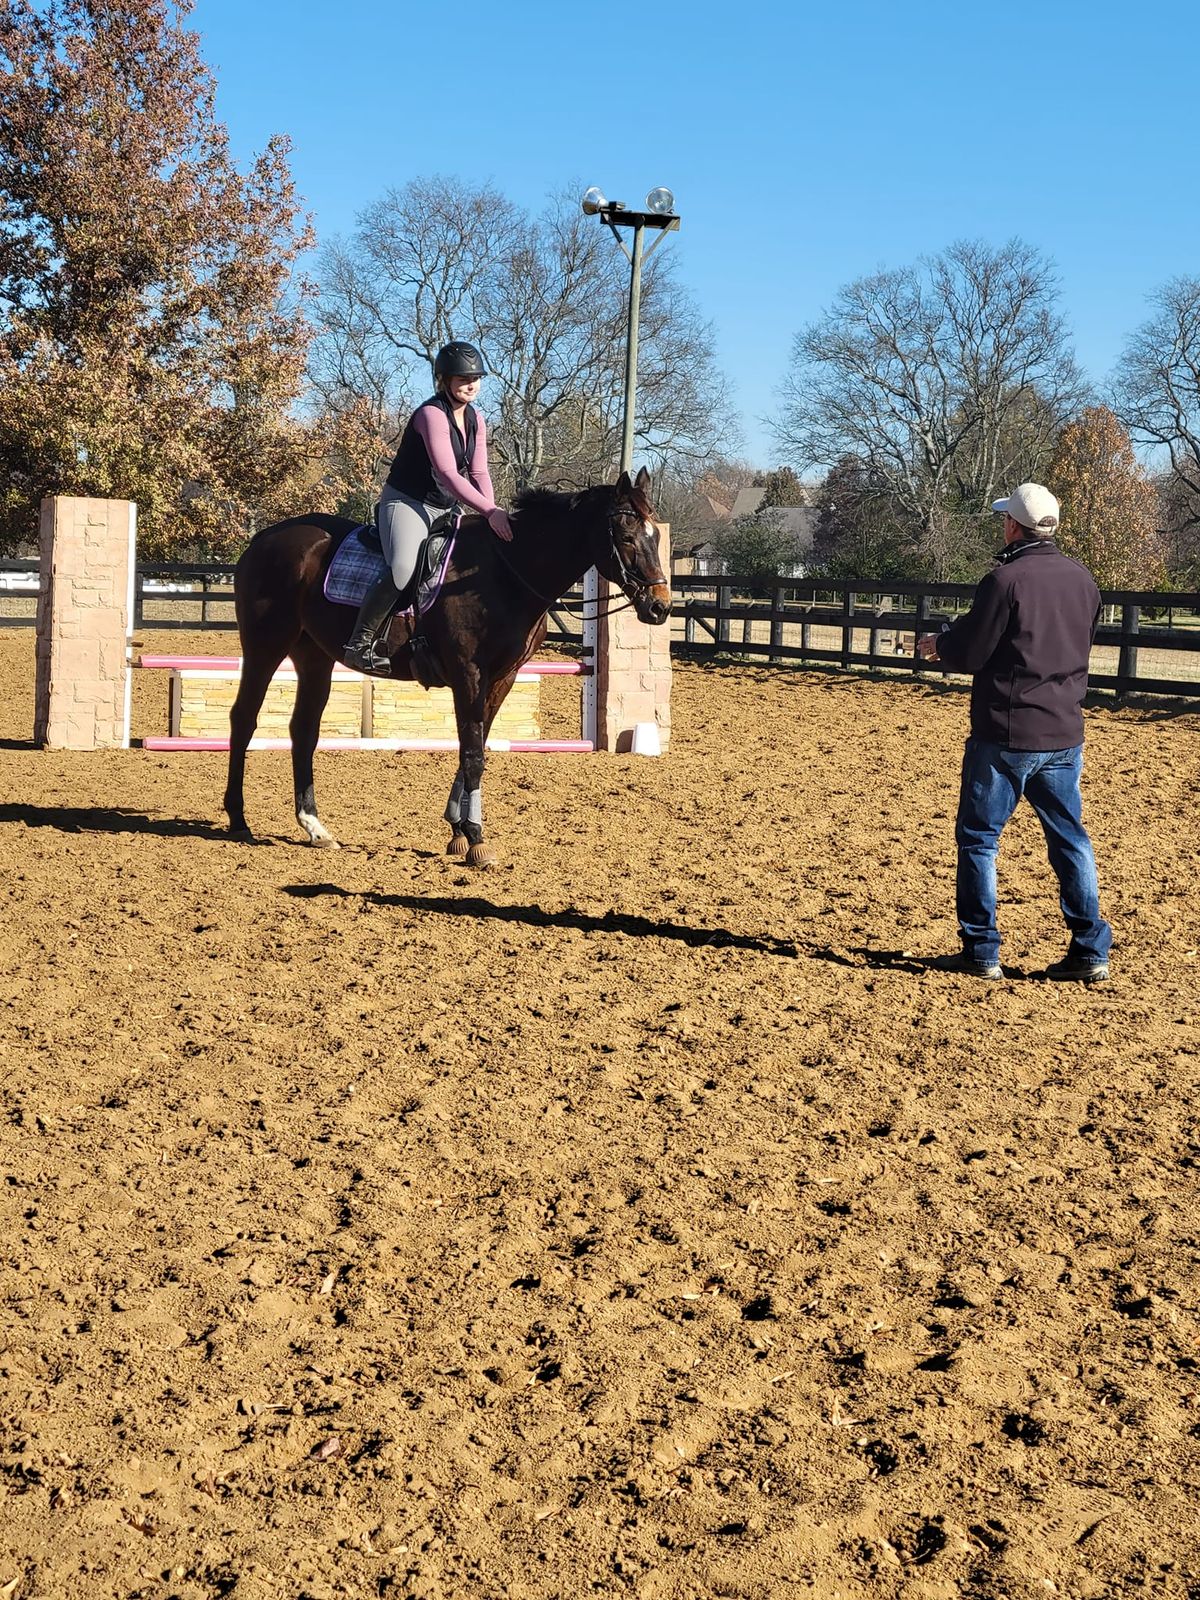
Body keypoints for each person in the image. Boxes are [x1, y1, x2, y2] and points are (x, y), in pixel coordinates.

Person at [917, 482, 1112, 982]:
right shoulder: (1084, 581)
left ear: (1013, 526)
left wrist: (939, 644)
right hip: (1064, 732)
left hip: (1005, 733)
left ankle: (982, 949)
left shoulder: (1004, 581)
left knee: (979, 839)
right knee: (1070, 839)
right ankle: (1090, 947)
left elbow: (974, 650)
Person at [344, 341, 513, 674]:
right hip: (407, 502)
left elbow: (479, 472)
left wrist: (490, 511)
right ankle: (359, 644)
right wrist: (490, 512)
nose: (472, 384)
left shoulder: (477, 419)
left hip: (446, 506)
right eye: (463, 378)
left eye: (476, 378)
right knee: (404, 567)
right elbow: (449, 474)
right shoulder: (430, 415)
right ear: (444, 380)